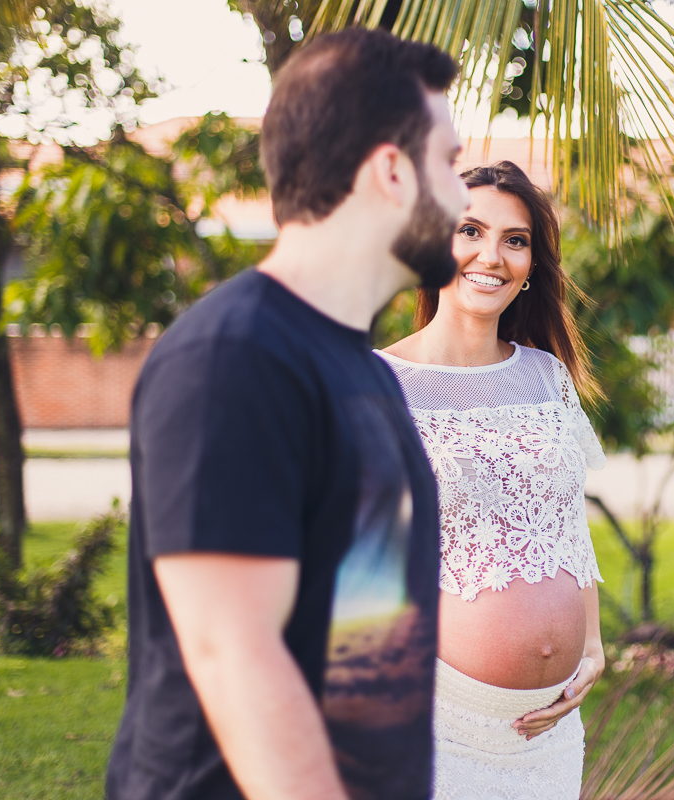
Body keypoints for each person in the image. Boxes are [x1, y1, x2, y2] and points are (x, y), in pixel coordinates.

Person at [105, 29, 469, 800]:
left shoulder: (359, 369)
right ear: (393, 171)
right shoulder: (234, 357)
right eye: (451, 163)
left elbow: (367, 642)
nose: (464, 197)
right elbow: (234, 653)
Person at [377, 161, 606, 800]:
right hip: (436, 722)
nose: (492, 255)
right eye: (469, 231)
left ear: (532, 262)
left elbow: (567, 522)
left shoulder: (546, 375)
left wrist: (591, 641)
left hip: (553, 731)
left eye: (515, 239)